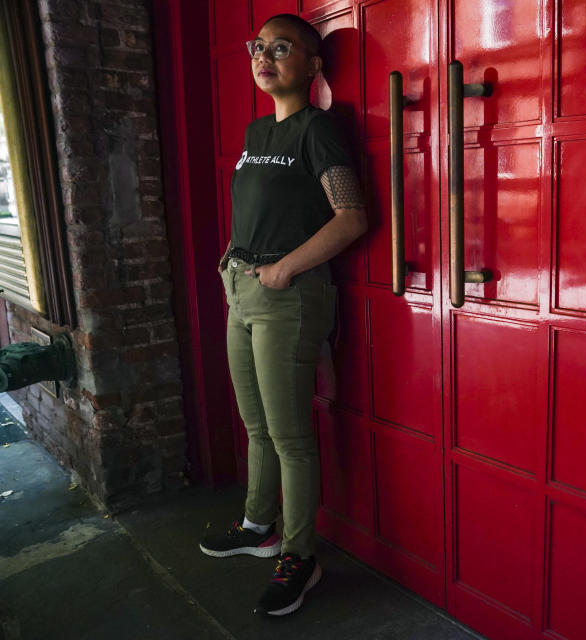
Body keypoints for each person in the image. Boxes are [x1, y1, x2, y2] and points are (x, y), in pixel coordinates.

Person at [198, 13, 366, 617]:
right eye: (259, 47)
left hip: (288, 296)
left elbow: (350, 218)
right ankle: (257, 526)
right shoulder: (254, 133)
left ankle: (300, 555)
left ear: (313, 66)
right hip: (242, 289)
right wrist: (235, 270)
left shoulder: (317, 132)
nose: (264, 56)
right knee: (257, 426)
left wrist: (286, 267)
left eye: (282, 47)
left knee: (292, 438)